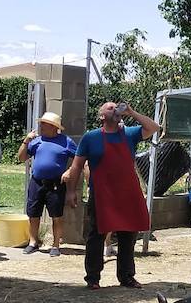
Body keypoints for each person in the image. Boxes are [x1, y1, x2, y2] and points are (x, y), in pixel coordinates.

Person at [66, 102, 160, 290]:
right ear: (101, 116)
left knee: (128, 236)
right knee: (96, 236)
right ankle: (93, 278)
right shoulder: (90, 138)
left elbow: (154, 128)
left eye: (116, 107)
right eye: (110, 108)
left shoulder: (129, 134)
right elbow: (76, 166)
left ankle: (126, 277)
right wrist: (70, 191)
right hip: (102, 195)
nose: (115, 109)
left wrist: (132, 112)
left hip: (127, 194)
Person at [18, 112, 76, 257]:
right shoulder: (36, 141)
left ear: (54, 127)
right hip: (37, 182)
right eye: (41, 123)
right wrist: (26, 141)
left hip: (56, 184)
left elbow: (79, 159)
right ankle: (33, 242)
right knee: (33, 214)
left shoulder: (66, 141)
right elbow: (21, 157)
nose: (41, 126)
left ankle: (56, 245)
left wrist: (69, 171)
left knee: (56, 216)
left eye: (44, 124)